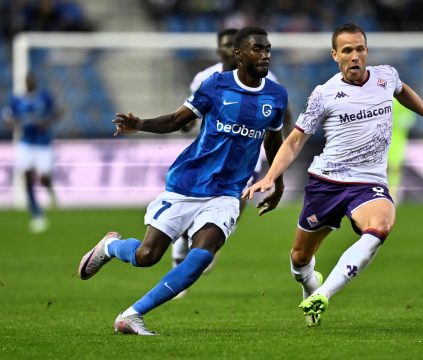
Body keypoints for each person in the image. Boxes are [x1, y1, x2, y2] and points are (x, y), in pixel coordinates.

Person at [78, 26, 287, 335]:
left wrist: (276, 182)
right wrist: (142, 124)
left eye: (267, 49)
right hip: (188, 184)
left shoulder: (276, 94)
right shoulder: (214, 85)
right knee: (146, 256)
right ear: (239, 54)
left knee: (202, 254)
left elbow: (273, 142)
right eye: (257, 49)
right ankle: (110, 247)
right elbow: (178, 121)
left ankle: (132, 315)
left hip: (227, 192)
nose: (265, 54)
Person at [243, 23, 423, 327]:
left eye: (360, 49)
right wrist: (271, 176)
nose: (355, 56)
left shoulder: (385, 76)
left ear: (367, 51)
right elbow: (295, 140)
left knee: (380, 226)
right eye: (347, 50)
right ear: (335, 55)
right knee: (299, 258)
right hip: (327, 182)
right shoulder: (324, 94)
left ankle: (323, 294)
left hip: (369, 183)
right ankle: (310, 286)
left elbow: (403, 92)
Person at [171, 28, 293, 290]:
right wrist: (184, 124)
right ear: (221, 50)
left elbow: (283, 114)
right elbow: (190, 111)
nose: (228, 49)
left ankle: (208, 245)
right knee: (194, 203)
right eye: (224, 45)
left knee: (235, 205)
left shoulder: (267, 77)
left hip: (247, 156)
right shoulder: (206, 78)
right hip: (210, 155)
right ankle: (184, 242)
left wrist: (286, 144)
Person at [2, 73, 60, 233]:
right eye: (27, 80)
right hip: (26, 143)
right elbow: (7, 119)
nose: (29, 83)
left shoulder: (44, 97)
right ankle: (37, 214)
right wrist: (14, 123)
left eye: (32, 80)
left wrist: (47, 122)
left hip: (43, 144)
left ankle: (49, 188)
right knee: (27, 177)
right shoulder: (17, 100)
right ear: (25, 83)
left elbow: (58, 112)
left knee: (44, 177)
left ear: (35, 82)